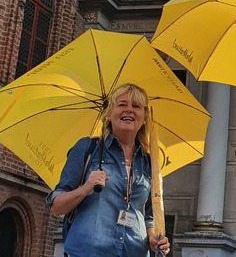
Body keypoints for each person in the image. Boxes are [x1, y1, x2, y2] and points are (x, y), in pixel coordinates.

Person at [47, 83, 170, 256]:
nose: (129, 110)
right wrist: (85, 188)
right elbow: (56, 207)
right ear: (109, 113)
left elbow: (148, 216)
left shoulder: (148, 163)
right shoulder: (87, 148)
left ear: (144, 118)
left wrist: (153, 239)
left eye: (136, 106)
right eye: (122, 104)